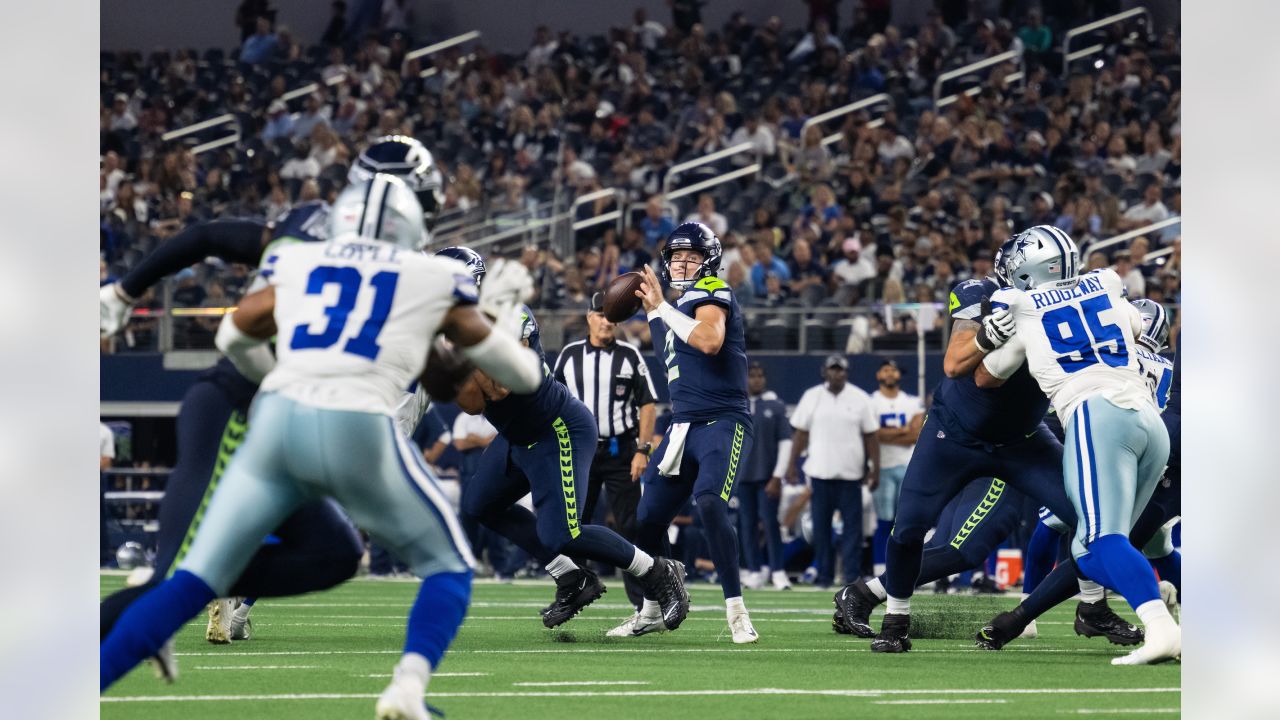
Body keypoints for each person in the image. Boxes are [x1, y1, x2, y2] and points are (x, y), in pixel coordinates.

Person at [99, 175, 545, 720]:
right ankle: (407, 688)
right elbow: (521, 378)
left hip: (277, 415)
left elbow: (233, 336)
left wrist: (284, 385)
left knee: (193, 579)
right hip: (360, 424)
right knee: (447, 563)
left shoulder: (301, 261)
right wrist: (499, 318)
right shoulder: (430, 275)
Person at [96, 136, 444, 666]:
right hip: (237, 409)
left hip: (289, 429)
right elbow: (211, 246)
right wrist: (124, 291)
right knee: (168, 583)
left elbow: (207, 236)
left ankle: (187, 587)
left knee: (337, 553)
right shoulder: (313, 234)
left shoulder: (377, 257)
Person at [857, 234, 1082, 654]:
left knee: (1093, 522)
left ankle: (1079, 608)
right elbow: (955, 364)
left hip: (1022, 439)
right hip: (954, 434)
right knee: (908, 527)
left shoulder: (1069, 308)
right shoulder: (981, 295)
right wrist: (986, 337)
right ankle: (896, 617)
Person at [453, 250, 688, 632]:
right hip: (518, 435)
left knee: (562, 532)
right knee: (480, 505)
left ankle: (658, 570)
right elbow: (472, 403)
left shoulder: (509, 313)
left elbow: (503, 386)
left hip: (556, 428)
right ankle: (572, 577)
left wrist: (458, 363)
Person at [975, 226, 1177, 665]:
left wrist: (990, 334)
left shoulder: (1020, 305)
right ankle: (1150, 604)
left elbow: (985, 376)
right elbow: (1142, 324)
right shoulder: (1106, 284)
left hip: (1095, 414)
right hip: (1148, 420)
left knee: (1103, 539)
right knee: (1091, 546)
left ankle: (1162, 628)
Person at [615, 221, 760, 643]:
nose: (681, 263)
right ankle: (651, 608)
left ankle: (736, 611)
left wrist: (660, 310)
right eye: (676, 256)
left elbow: (711, 341)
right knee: (645, 520)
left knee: (711, 503)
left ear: (707, 261)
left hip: (722, 419)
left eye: (691, 256)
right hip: (683, 424)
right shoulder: (667, 307)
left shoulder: (711, 289)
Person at [553, 292, 659, 610]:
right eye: (600, 314)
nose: (606, 320)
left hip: (620, 451)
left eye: (611, 314)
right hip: (580, 454)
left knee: (629, 525)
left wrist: (643, 449)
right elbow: (551, 403)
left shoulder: (629, 355)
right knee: (573, 526)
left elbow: (648, 404)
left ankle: (642, 604)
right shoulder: (569, 356)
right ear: (589, 317)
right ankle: (574, 593)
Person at [786, 355, 880, 588]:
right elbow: (800, 434)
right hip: (820, 474)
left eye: (841, 370)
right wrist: (791, 464)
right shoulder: (811, 396)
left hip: (851, 475)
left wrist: (875, 469)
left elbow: (871, 436)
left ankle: (850, 577)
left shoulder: (860, 398)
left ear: (847, 373)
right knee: (821, 529)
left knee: (852, 531)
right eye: (832, 369)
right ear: (824, 372)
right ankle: (824, 576)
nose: (837, 374)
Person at [738, 363, 793, 591]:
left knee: (771, 524)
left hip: (767, 476)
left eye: (761, 376)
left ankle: (778, 571)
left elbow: (786, 443)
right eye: (752, 376)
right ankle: (754, 571)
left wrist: (778, 476)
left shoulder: (776, 406)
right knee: (747, 525)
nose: (757, 380)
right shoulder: (735, 405)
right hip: (741, 477)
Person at [867, 359, 923, 575]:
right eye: (885, 369)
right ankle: (880, 568)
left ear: (900, 375)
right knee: (883, 521)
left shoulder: (911, 401)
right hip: (881, 466)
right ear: (878, 374)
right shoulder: (870, 401)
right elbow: (873, 434)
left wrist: (886, 433)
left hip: (906, 465)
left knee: (904, 522)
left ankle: (903, 568)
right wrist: (902, 430)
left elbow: (915, 434)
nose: (890, 373)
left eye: (894, 369)